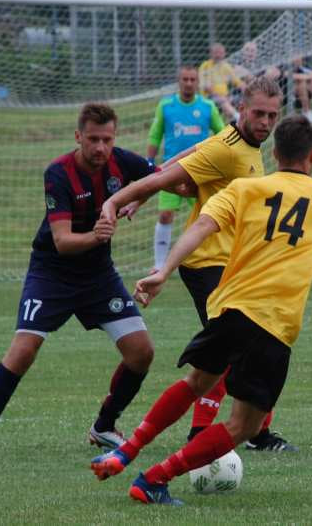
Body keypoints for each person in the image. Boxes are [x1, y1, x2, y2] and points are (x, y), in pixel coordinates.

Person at [90, 114, 312, 505]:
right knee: (244, 426)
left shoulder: (246, 188)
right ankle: (154, 478)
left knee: (196, 382)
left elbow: (200, 227)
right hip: (273, 324)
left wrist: (163, 270)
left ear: (275, 153)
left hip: (230, 309)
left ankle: (125, 450)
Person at [103, 76, 297, 452]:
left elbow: (187, 155)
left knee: (251, 346)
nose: (265, 121)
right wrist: (120, 201)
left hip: (233, 264)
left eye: (272, 115)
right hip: (207, 262)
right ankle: (220, 434)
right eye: (258, 113)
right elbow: (169, 173)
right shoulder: (228, 149)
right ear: (241, 107)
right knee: (238, 349)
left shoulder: (243, 144)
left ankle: (240, 431)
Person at [0, 103, 161, 457]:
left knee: (141, 352)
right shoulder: (59, 173)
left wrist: (137, 201)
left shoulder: (120, 161)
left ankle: (104, 426)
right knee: (24, 350)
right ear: (78, 137)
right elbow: (64, 242)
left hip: (98, 276)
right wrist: (99, 235)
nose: (101, 148)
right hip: (52, 274)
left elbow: (161, 176)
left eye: (107, 140)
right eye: (93, 139)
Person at [147, 65, 223, 271]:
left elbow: (222, 134)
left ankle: (208, 261)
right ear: (179, 81)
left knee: (205, 217)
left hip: (200, 173)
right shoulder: (166, 106)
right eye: (185, 79)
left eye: (192, 79)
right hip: (171, 172)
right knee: (165, 215)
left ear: (197, 82)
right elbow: (155, 135)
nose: (189, 83)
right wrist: (148, 162)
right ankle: (159, 264)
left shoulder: (208, 107)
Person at [198, 43, 245, 123]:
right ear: (211, 54)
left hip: (226, 96)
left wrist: (247, 90)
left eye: (221, 53)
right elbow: (206, 88)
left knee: (242, 99)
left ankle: (234, 122)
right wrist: (221, 96)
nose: (218, 55)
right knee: (222, 101)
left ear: (224, 54)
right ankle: (238, 118)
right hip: (209, 97)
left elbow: (237, 82)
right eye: (216, 52)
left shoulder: (226, 66)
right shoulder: (205, 66)